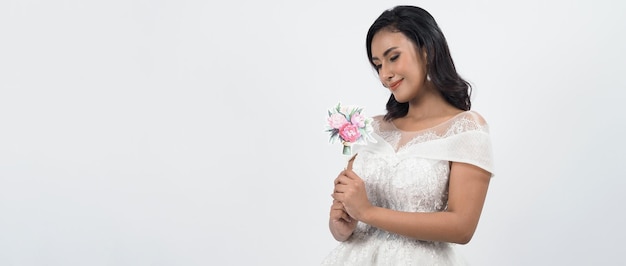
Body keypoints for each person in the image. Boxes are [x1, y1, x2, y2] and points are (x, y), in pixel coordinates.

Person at [322, 5, 495, 265]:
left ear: (428, 50)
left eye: (393, 57)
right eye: (378, 65)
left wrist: (368, 212)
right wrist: (342, 224)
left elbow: (462, 227)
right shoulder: (371, 128)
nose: (385, 74)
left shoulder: (466, 128)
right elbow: (345, 225)